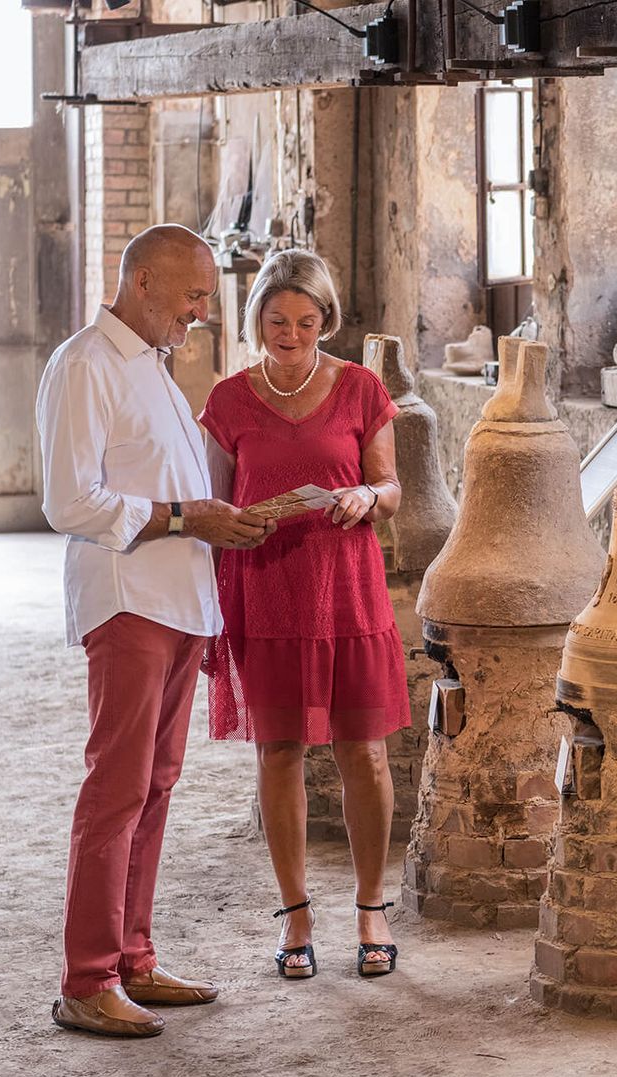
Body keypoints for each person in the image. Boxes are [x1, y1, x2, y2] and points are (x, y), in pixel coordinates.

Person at [37, 224, 277, 1039]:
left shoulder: (154, 369)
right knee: (116, 790)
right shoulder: (83, 366)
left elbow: (169, 488)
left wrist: (220, 520)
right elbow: (70, 504)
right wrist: (188, 516)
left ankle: (133, 958)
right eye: (192, 296)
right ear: (142, 282)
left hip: (178, 599)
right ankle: (86, 979)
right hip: (128, 600)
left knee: (157, 784)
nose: (201, 313)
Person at [199, 249, 409, 980]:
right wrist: (232, 531)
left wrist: (365, 498)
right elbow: (215, 509)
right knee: (279, 752)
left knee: (365, 752)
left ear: (327, 321)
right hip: (265, 591)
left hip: (346, 588)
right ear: (257, 315)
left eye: (306, 321)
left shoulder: (359, 389)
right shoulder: (227, 401)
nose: (290, 334)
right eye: (277, 319)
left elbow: (390, 489)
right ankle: (295, 914)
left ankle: (372, 904)